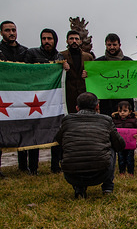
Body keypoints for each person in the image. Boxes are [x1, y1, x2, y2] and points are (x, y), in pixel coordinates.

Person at [55, 92, 125, 198]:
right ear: (97, 106)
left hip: (72, 175)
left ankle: (79, 189)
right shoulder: (106, 120)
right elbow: (120, 145)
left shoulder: (67, 121)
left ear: (77, 108)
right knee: (111, 146)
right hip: (101, 173)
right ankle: (108, 187)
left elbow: (58, 140)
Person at [25, 28, 70, 175]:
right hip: (35, 99)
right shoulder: (32, 54)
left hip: (53, 101)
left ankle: (55, 166)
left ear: (55, 40)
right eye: (44, 39)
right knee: (35, 133)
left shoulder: (59, 56)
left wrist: (64, 69)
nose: (46, 42)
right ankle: (33, 168)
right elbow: (25, 72)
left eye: (49, 39)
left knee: (56, 132)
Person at [0, 20, 28, 178]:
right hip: (3, 97)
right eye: (7, 30)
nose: (11, 33)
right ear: (1, 32)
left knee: (23, 131)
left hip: (21, 97)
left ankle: (24, 166)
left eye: (14, 30)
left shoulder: (24, 51)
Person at [93, 33, 136, 116]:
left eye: (114, 45)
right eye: (109, 45)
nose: (112, 47)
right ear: (105, 45)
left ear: (119, 45)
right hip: (106, 105)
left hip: (126, 104)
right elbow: (94, 81)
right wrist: (86, 76)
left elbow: (135, 84)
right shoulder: (98, 63)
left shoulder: (128, 62)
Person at [61, 30, 93, 113]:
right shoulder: (61, 56)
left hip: (84, 95)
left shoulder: (88, 57)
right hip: (68, 95)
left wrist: (88, 74)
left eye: (76, 39)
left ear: (80, 41)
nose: (74, 41)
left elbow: (94, 75)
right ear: (67, 41)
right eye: (71, 39)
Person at [112, 101, 137, 175]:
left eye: (125, 111)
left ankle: (131, 172)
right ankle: (122, 172)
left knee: (130, 158)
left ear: (130, 111)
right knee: (121, 158)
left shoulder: (134, 120)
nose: (122, 113)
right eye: (120, 111)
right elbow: (112, 129)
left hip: (130, 143)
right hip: (120, 143)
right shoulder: (115, 120)